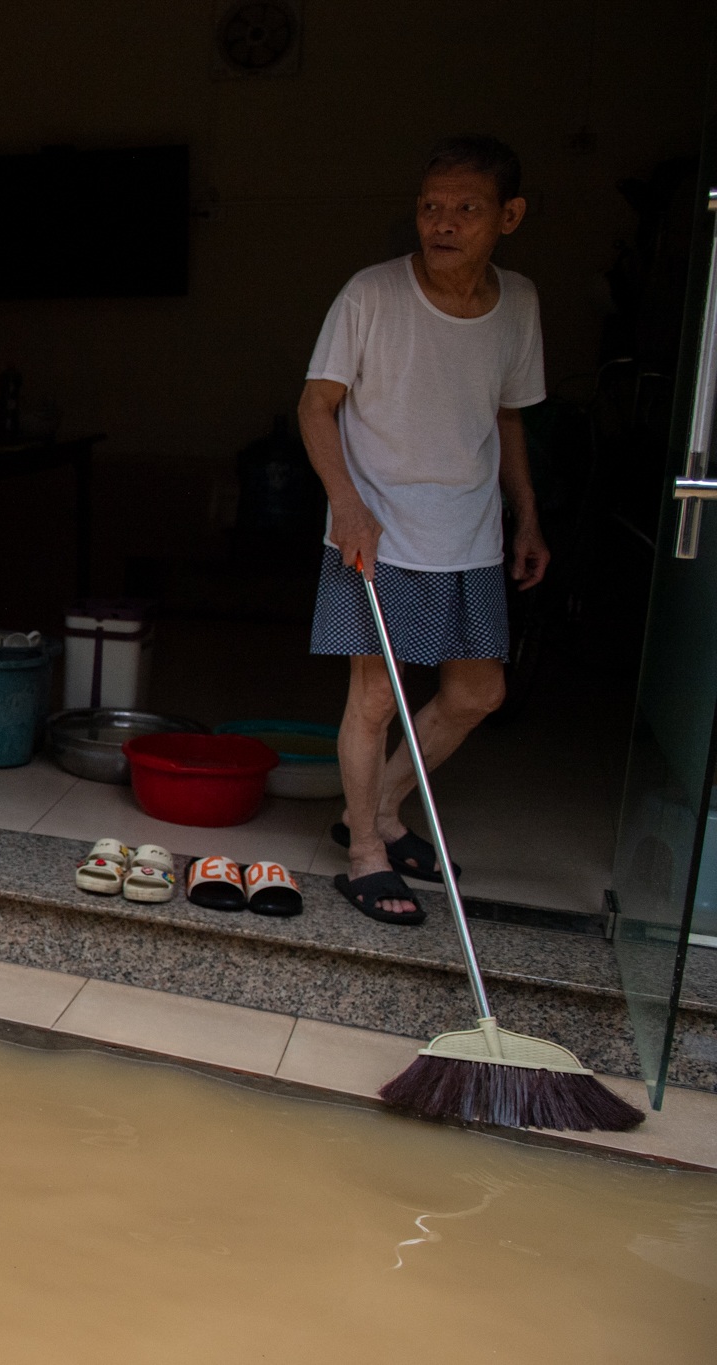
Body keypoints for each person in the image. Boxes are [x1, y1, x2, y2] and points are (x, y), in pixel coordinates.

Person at [299, 136, 548, 926]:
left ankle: (376, 808)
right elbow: (315, 406)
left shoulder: (520, 304)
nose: (443, 223)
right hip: (377, 525)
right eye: (430, 206)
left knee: (480, 690)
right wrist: (345, 503)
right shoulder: (371, 295)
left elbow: (506, 414)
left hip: (469, 528)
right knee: (375, 698)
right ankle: (366, 854)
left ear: (508, 216)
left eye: (466, 209)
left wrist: (527, 512)